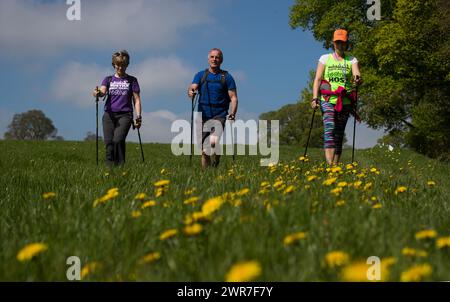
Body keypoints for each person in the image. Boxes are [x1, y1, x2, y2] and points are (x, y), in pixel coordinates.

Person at [311, 29, 362, 165]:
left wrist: (357, 78)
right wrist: (314, 98)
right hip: (327, 100)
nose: (340, 45)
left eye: (343, 42)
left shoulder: (351, 59)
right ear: (333, 43)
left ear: (346, 44)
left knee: (339, 134)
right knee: (330, 129)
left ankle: (335, 166)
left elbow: (357, 73)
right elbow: (318, 79)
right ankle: (330, 166)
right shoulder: (324, 58)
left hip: (345, 101)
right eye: (337, 42)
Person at [188, 48, 238, 168]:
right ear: (208, 58)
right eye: (212, 57)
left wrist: (232, 113)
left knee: (213, 142)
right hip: (203, 114)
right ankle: (207, 175)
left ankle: (215, 162)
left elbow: (233, 98)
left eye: (217, 57)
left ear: (221, 60)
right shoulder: (200, 75)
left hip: (219, 114)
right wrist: (191, 92)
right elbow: (192, 87)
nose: (214, 59)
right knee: (204, 150)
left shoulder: (227, 77)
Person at [92, 50, 142, 166]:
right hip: (109, 115)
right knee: (109, 144)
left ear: (127, 65)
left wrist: (138, 117)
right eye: (118, 65)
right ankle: (109, 170)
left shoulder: (132, 80)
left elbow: (137, 100)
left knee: (118, 140)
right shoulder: (108, 79)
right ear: (114, 64)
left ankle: (120, 167)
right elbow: (102, 92)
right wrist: (97, 93)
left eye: (123, 65)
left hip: (125, 115)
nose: (120, 67)